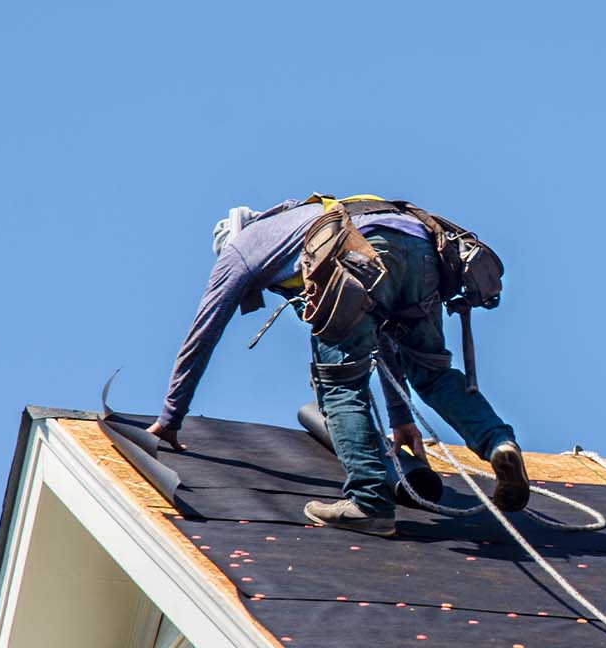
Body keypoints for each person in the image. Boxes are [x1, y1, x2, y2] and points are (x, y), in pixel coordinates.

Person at [145, 195, 529, 537]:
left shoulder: (240, 249)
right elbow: (385, 325)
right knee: (433, 374)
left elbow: (203, 332)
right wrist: (400, 420)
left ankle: (369, 503)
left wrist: (171, 416)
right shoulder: (303, 218)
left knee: (340, 386)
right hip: (419, 246)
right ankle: (499, 443)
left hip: (356, 254)